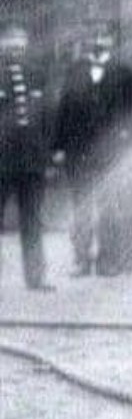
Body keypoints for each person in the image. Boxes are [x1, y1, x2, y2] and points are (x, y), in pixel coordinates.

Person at [52, 25, 132, 276]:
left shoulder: (123, 72)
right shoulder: (75, 71)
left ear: (112, 41)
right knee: (80, 207)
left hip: (110, 152)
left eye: (103, 37)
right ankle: (81, 261)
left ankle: (108, 261)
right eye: (94, 37)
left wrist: (126, 135)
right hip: (77, 152)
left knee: (109, 207)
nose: (98, 42)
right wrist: (58, 147)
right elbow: (63, 110)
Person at [0, 20, 53, 291]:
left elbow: (47, 118)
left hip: (32, 161)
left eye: (20, 40)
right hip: (2, 162)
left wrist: (48, 154)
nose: (16, 45)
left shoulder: (36, 75)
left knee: (32, 220)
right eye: (10, 40)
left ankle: (36, 277)